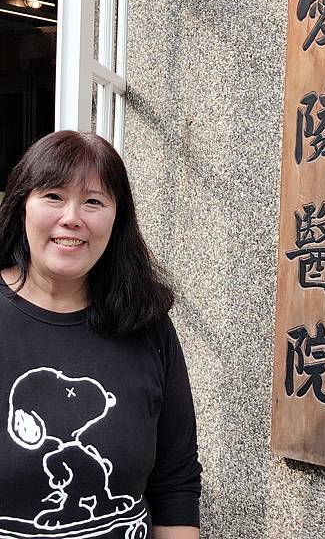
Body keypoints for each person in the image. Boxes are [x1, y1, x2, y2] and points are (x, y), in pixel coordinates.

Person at [0, 130, 202, 539]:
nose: (72, 217)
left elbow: (175, 481)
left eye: (93, 201)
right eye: (53, 196)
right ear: (23, 205)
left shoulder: (146, 324)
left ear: (117, 218)